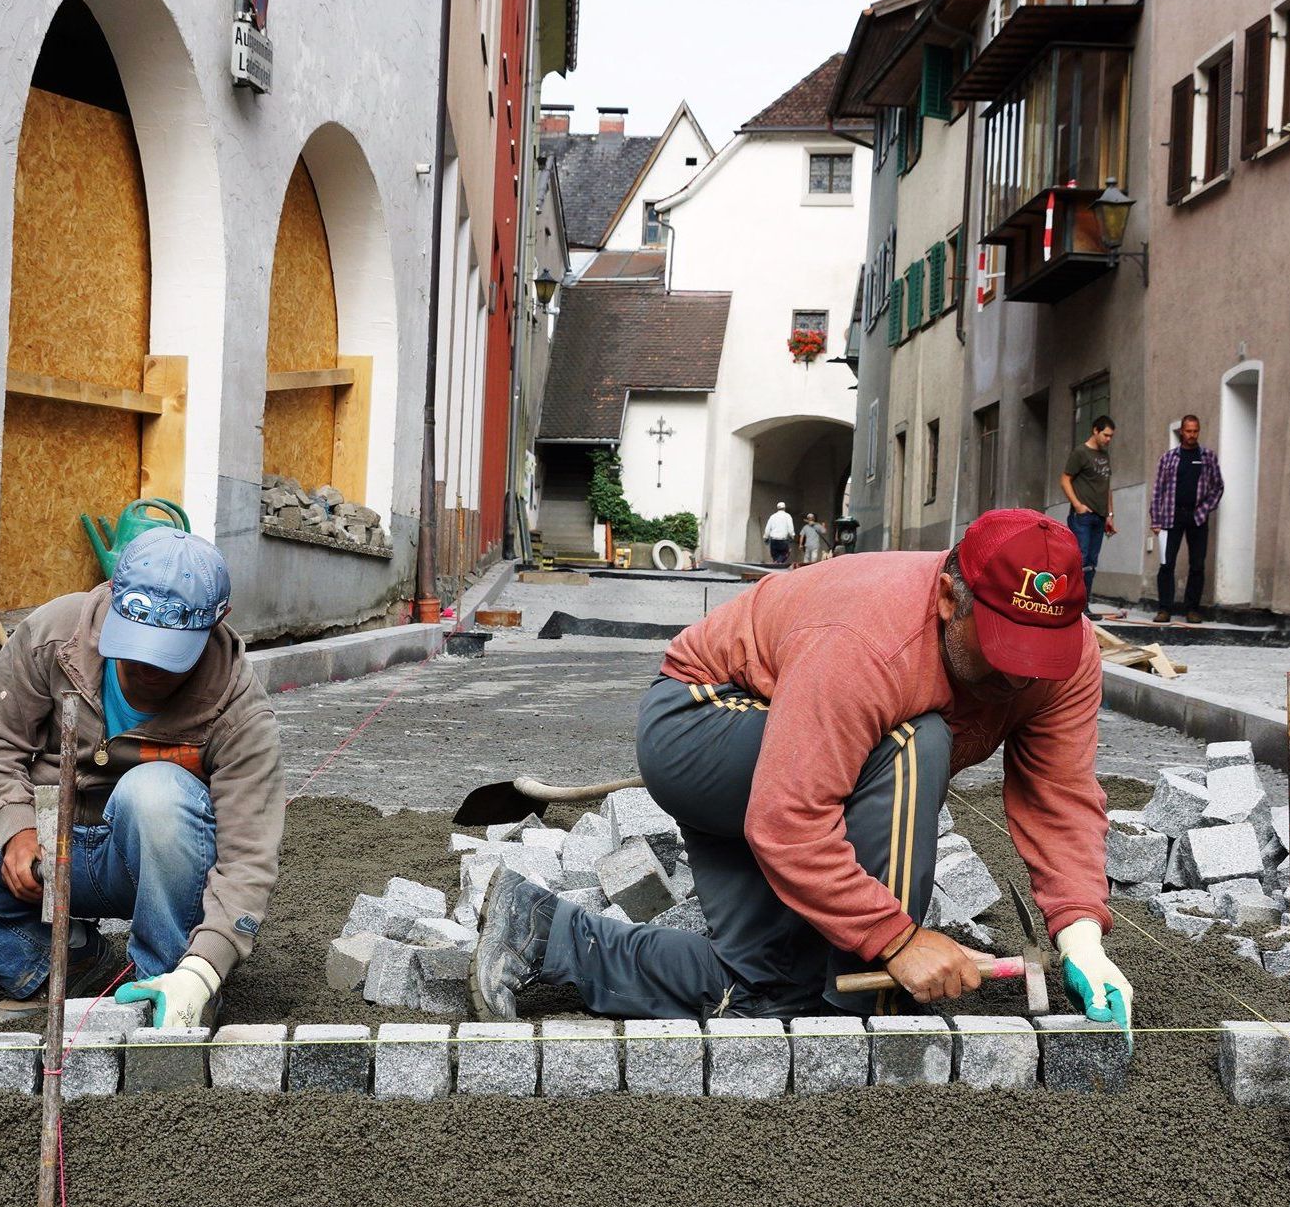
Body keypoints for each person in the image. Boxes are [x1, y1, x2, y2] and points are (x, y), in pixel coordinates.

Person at [472, 508, 1132, 1033]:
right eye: (1001, 647)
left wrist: (1081, 938)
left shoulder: (1064, 658)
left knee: (769, 986)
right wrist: (898, 942)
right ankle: (877, 1022)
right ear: (947, 597)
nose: (1020, 672)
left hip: (810, 756)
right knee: (918, 739)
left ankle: (543, 931)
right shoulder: (868, 643)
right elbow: (787, 820)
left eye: (1038, 652)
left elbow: (1060, 796)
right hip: (704, 725)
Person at [0, 527, 282, 1029]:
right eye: (134, 646)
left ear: (215, 622)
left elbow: (250, 856)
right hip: (55, 853)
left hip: (157, 867)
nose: (145, 668)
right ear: (113, 599)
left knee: (153, 791)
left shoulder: (238, 708)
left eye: (166, 655)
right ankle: (63, 968)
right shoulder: (56, 635)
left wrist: (203, 971)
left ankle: (162, 986)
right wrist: (17, 830)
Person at [1149, 415, 1224, 624]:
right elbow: (1158, 490)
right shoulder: (1169, 458)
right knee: (1167, 564)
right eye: (1189, 431)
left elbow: (1218, 486)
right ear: (1182, 431)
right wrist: (1155, 519)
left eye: (1196, 431)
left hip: (1197, 517)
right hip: (1171, 516)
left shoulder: (1208, 457)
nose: (1192, 435)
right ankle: (1164, 609)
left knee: (1197, 564)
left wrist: (1206, 508)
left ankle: (1192, 609)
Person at [1060, 415, 1117, 610]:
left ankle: (1084, 605)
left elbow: (1107, 487)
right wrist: (1077, 505)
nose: (1108, 440)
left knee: (1092, 562)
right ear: (1095, 430)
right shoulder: (1081, 453)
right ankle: (1071, 604)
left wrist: (1110, 515)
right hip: (1083, 517)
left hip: (1100, 517)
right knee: (1080, 559)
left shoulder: (1105, 456)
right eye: (1106, 435)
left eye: (1111, 436)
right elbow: (1065, 480)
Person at [763, 502, 796, 567]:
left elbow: (768, 528)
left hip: (773, 540)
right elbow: (790, 528)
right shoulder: (787, 516)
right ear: (784, 508)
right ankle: (777, 564)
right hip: (783, 540)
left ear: (777, 508)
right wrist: (792, 536)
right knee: (785, 554)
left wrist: (766, 537)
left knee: (775, 557)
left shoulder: (773, 516)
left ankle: (775, 566)